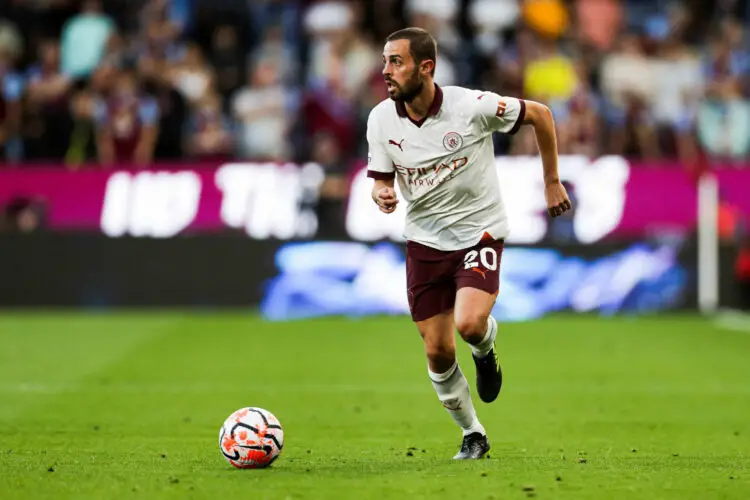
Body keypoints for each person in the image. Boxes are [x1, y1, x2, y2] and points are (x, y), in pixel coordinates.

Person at [366, 28, 571, 459]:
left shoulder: (471, 106)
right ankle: (473, 432)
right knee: (437, 350)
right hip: (424, 241)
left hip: (479, 231)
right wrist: (382, 193)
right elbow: (382, 178)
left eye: (396, 62)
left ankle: (485, 345)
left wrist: (551, 180)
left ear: (426, 68)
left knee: (469, 324)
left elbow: (540, 114)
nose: (386, 71)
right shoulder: (381, 119)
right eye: (385, 61)